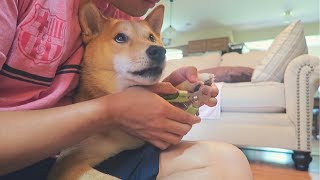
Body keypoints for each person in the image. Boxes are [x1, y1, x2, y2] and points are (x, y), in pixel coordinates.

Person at [0, 0, 253, 179]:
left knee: (226, 162)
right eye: (122, 38)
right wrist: (111, 110)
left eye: (153, 39)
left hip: (85, 154)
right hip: (17, 158)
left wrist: (168, 99)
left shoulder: (127, 15)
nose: (152, 47)